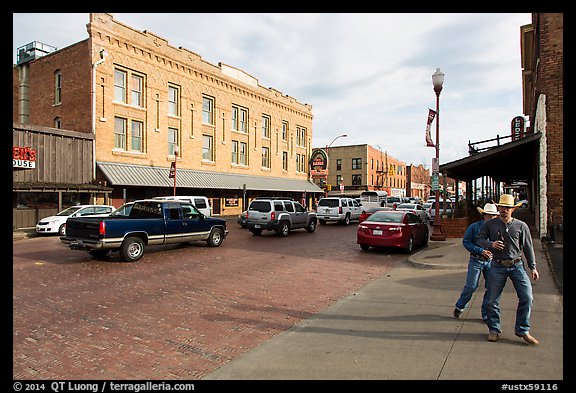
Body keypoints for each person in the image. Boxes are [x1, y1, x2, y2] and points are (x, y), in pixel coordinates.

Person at [476, 194, 540, 345]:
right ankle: (494, 329)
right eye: (502, 207)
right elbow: (479, 239)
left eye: (507, 208)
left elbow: (528, 247)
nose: (504, 210)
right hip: (497, 265)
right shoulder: (490, 225)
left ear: (513, 209)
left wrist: (533, 267)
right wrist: (490, 244)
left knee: (527, 297)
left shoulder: (521, 226)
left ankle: (523, 329)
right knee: (492, 300)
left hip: (517, 265)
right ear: (498, 208)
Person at [453, 203, 499, 320]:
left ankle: (486, 313)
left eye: (494, 216)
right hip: (476, 259)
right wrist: (480, 250)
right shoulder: (474, 227)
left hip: (491, 260)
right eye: (489, 215)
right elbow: (466, 241)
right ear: (484, 215)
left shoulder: (498, 228)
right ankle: (460, 306)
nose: (492, 218)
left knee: (491, 287)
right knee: (471, 285)